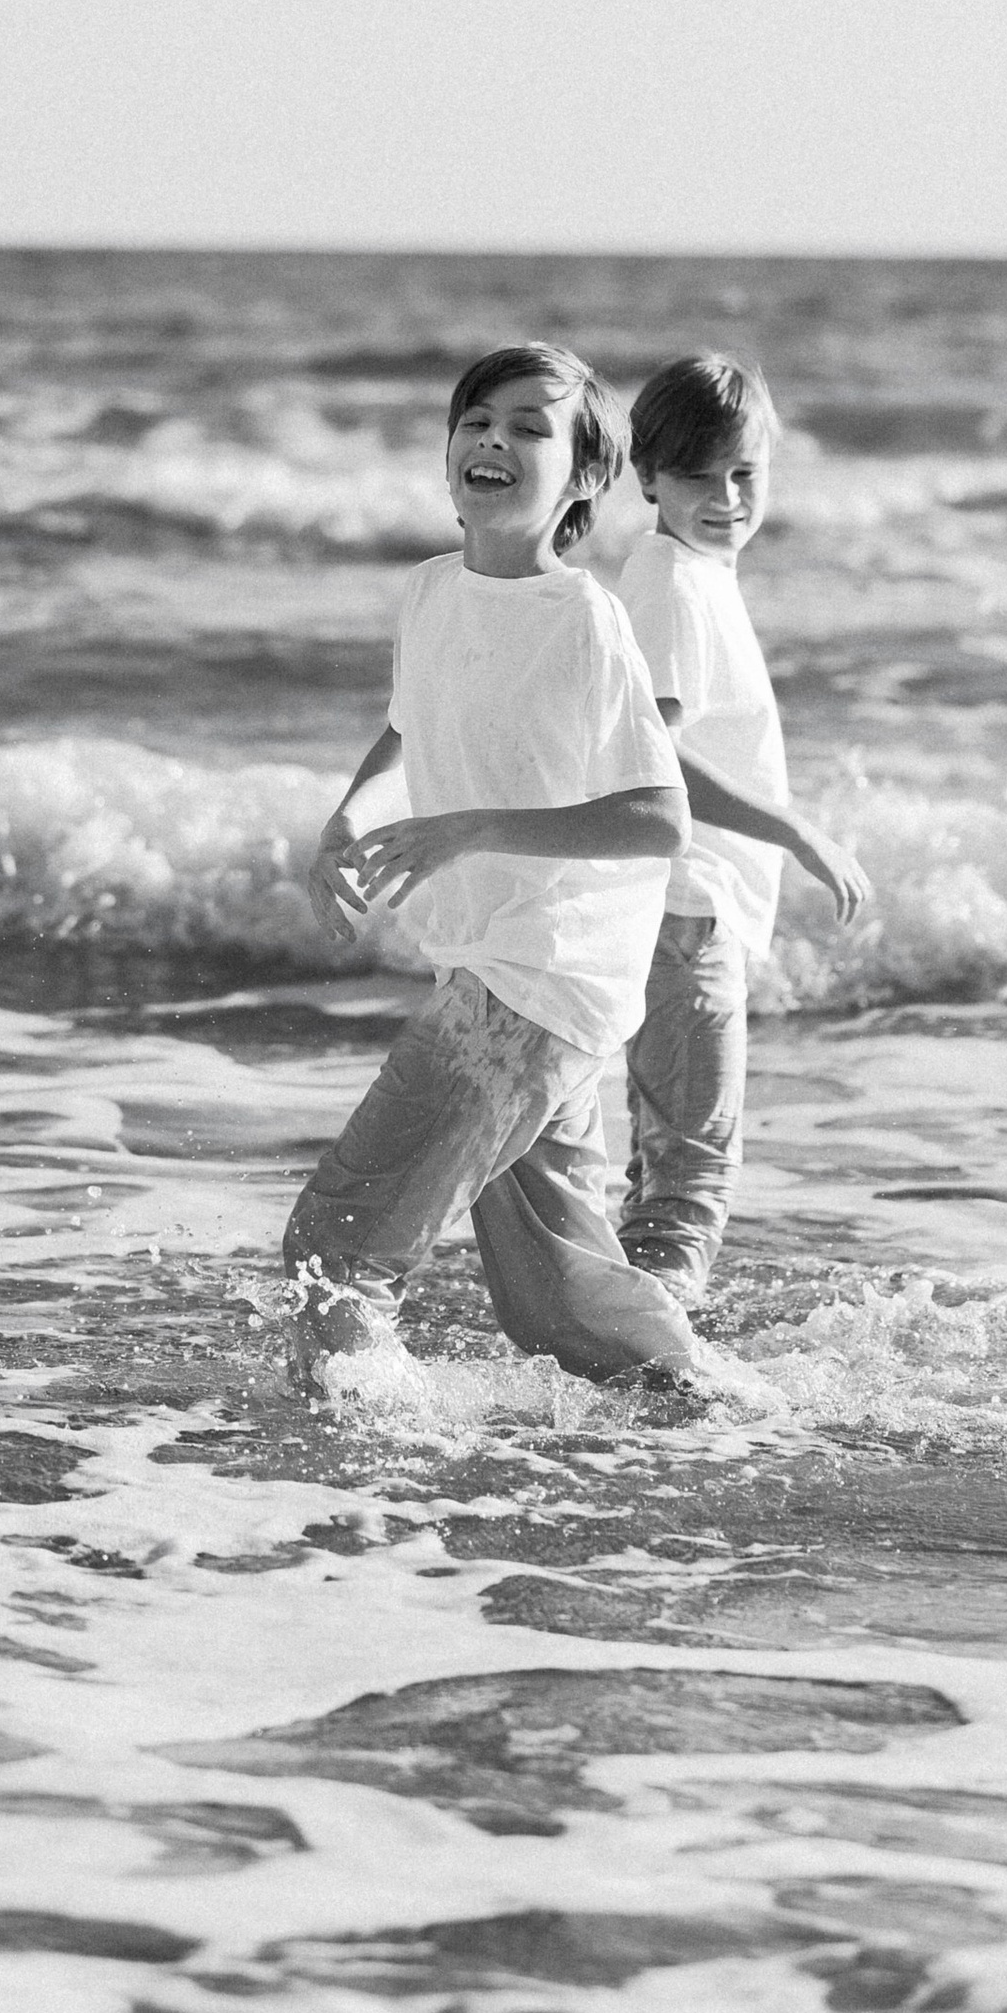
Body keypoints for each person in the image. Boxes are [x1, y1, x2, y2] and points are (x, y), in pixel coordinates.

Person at [284, 342, 717, 1390]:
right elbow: (407, 731)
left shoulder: (582, 621)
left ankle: (356, 1484)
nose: (492, 437)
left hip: (536, 982)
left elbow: (659, 816)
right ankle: (726, 1415)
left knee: (334, 1252)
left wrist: (470, 828)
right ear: (447, 455)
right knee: (560, 1307)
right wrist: (347, 818)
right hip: (498, 971)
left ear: (580, 482)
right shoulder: (433, 592)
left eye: (530, 427)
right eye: (475, 418)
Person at [614, 353, 871, 1301]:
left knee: (661, 1167)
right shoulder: (672, 585)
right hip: (687, 912)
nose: (726, 496)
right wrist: (796, 831)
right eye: (697, 474)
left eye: (745, 473)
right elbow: (657, 758)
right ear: (646, 477)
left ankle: (620, 1347)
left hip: (687, 910)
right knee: (690, 1176)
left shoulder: (696, 574)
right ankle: (656, 1367)